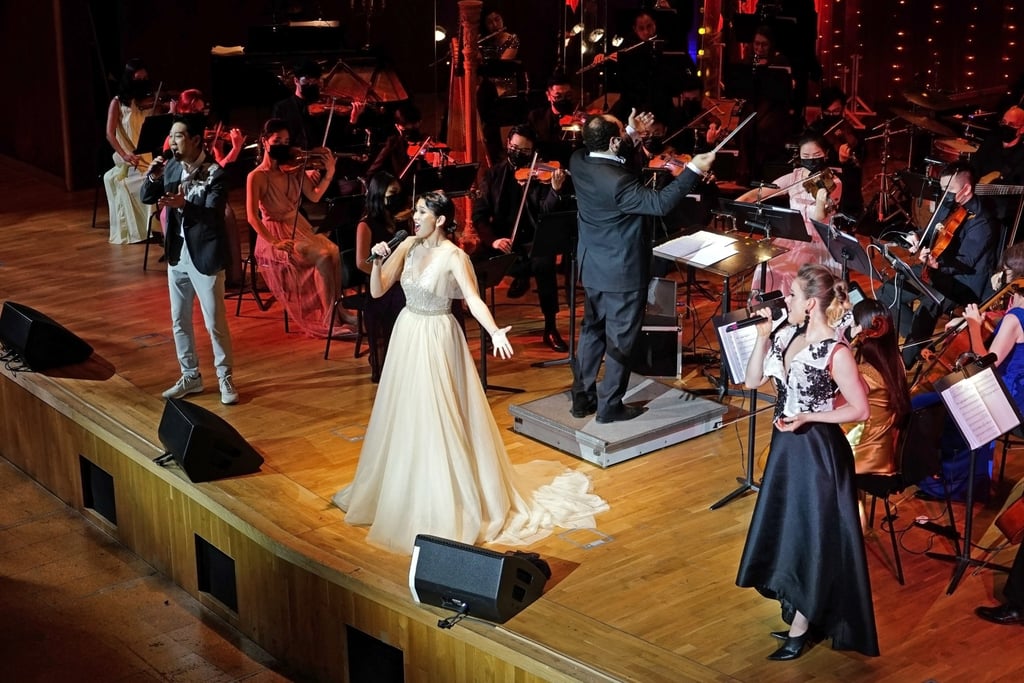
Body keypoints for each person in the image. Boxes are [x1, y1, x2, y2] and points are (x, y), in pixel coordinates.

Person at [332, 191, 608, 554]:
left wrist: (494, 332)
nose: (414, 217)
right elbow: (379, 288)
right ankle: (406, 487)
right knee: (406, 413)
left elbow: (473, 298)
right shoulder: (409, 245)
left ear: (441, 219)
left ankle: (447, 497)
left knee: (441, 415)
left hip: (437, 336)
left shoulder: (454, 256)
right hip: (408, 332)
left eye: (421, 211)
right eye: (415, 211)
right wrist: (380, 261)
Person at [737, 263, 877, 660]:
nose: (787, 302)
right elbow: (750, 383)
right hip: (786, 452)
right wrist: (763, 338)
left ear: (811, 303)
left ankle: (802, 626)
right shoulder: (785, 334)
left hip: (818, 454)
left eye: (793, 296)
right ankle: (798, 613)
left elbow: (860, 410)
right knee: (789, 530)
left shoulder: (835, 351)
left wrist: (812, 415)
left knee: (810, 537)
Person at [569, 111, 714, 423]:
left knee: (592, 331)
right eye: (621, 132)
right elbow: (659, 204)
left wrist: (633, 130)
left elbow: (615, 156)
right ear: (611, 141)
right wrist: (692, 170)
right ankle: (610, 406)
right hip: (622, 272)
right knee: (620, 340)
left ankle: (582, 397)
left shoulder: (579, 160)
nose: (626, 134)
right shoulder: (619, 183)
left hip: (592, 265)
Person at [141, 114, 239, 405]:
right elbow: (147, 196)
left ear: (196, 140)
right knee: (178, 320)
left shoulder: (215, 174)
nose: (172, 142)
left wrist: (186, 204)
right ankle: (191, 376)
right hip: (177, 254)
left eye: (179, 136)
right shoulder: (170, 167)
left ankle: (225, 377)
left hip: (206, 256)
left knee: (214, 322)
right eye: (171, 136)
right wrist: (152, 176)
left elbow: (212, 217)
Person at [880, 161, 996, 368]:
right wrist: (915, 237)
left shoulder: (982, 222)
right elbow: (929, 231)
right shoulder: (947, 205)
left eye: (949, 190)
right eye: (943, 190)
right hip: (936, 269)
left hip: (962, 281)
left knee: (927, 307)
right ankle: (921, 346)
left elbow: (966, 263)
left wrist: (936, 264)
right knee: (888, 291)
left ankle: (904, 362)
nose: (945, 195)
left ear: (966, 188)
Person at [471, 125, 571, 352]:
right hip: (501, 239)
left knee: (544, 263)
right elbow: (479, 215)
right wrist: (494, 240)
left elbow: (546, 211)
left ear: (533, 152)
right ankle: (487, 330)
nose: (518, 153)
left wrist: (554, 191)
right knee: (474, 266)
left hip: (532, 240)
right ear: (508, 145)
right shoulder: (494, 175)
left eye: (525, 151)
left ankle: (550, 327)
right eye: (514, 147)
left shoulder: (540, 174)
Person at [246, 118, 344, 339]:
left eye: (287, 141)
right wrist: (274, 242)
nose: (284, 145)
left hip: (298, 224)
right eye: (277, 140)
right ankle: (328, 316)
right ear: (264, 141)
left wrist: (329, 173)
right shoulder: (256, 177)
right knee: (322, 255)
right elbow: (252, 217)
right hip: (275, 233)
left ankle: (338, 310)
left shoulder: (294, 170)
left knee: (334, 251)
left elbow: (315, 196)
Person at [735, 134, 842, 295]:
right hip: (793, 235)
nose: (811, 160)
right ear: (799, 156)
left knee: (792, 275)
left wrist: (820, 198)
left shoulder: (835, 183)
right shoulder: (795, 177)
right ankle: (772, 313)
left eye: (816, 156)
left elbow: (820, 217)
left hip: (819, 238)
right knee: (766, 268)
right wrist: (736, 205)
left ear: (826, 154)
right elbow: (759, 193)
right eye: (805, 156)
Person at [844, 299, 911, 474]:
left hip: (863, 455)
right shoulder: (896, 362)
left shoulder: (862, 373)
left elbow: (842, 410)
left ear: (860, 330)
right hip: (888, 451)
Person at [354, 172, 409, 382]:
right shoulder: (366, 225)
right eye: (392, 193)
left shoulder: (401, 221)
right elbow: (361, 262)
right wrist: (388, 276)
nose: (397, 198)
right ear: (379, 195)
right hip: (381, 287)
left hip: (402, 281)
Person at [104, 58, 160, 245]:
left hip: (148, 154)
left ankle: (159, 228)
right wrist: (124, 154)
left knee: (159, 179)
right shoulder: (117, 103)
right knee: (142, 183)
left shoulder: (147, 101)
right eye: (138, 79)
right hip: (128, 155)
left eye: (145, 78)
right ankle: (144, 230)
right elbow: (110, 134)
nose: (143, 82)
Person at [807, 87, 865, 217]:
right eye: (828, 112)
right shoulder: (814, 130)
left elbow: (860, 159)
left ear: (843, 109)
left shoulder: (848, 129)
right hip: (821, 182)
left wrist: (846, 161)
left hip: (846, 188)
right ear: (822, 110)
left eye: (836, 111)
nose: (832, 115)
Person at [972, 105, 1024, 246]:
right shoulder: (991, 142)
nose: (1006, 127)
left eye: (1011, 125)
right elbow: (974, 167)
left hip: (1003, 212)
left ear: (1022, 129)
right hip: (977, 202)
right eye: (1004, 122)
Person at [526, 72, 580, 166]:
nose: (563, 100)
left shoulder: (578, 117)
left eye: (568, 96)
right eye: (558, 96)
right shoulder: (536, 117)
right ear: (548, 95)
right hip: (545, 167)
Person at [365, 102, 427, 180]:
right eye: (405, 130)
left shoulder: (426, 141)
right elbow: (372, 170)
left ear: (420, 122)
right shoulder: (393, 143)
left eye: (413, 128)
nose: (409, 134)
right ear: (397, 126)